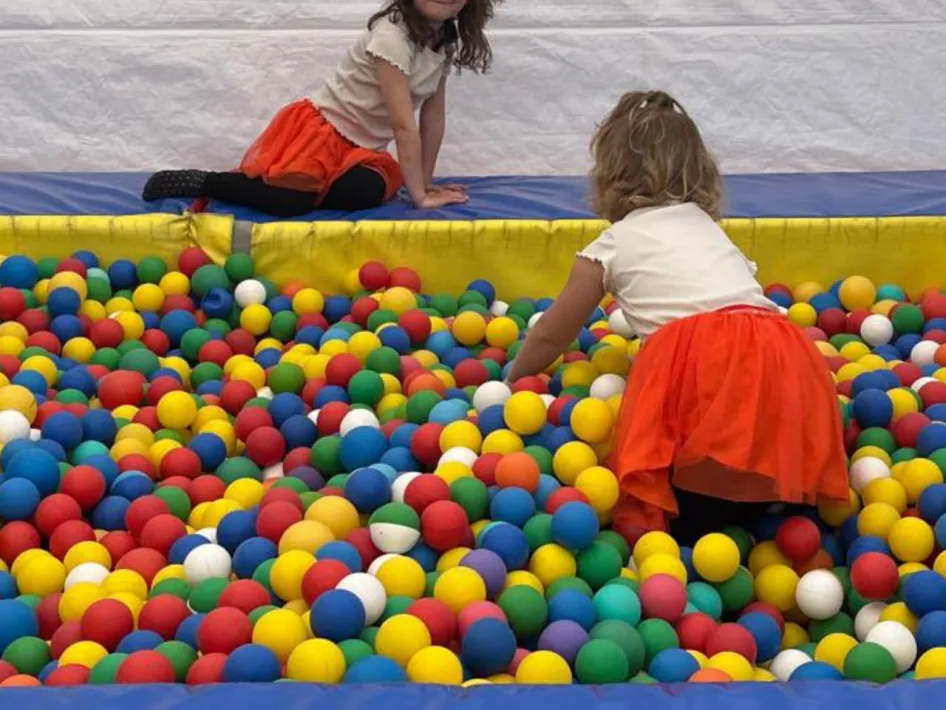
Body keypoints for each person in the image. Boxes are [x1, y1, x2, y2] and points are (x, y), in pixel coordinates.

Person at [505, 90, 849, 544]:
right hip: (785, 355)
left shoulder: (614, 242)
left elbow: (553, 333)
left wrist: (513, 378)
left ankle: (704, 517)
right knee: (748, 423)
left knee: (686, 508)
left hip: (708, 366)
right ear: (701, 170)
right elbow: (743, 307)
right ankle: (778, 493)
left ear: (609, 176)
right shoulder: (709, 229)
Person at [142, 0, 500, 217]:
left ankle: (304, 189)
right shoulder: (392, 36)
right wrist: (419, 198)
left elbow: (432, 119)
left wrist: (425, 183)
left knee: (364, 193)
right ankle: (206, 181)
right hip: (321, 133)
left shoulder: (443, 40)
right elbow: (403, 125)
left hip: (361, 151)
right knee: (291, 203)